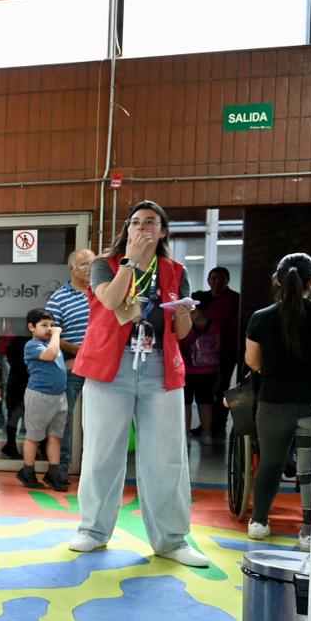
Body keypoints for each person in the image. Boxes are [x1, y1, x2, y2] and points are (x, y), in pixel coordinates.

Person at [67, 200, 208, 568]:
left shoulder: (174, 270)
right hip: (110, 369)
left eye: (151, 222)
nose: (143, 228)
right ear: (126, 229)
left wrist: (182, 313)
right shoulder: (105, 265)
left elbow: (182, 332)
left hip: (160, 369)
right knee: (101, 452)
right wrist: (129, 262)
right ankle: (93, 531)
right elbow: (111, 300)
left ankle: (172, 540)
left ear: (162, 232)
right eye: (136, 222)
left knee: (166, 456)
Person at [244, 253, 311, 551]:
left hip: (273, 402)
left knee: (271, 463)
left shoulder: (261, 318)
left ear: (277, 280)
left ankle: (259, 522)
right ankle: (308, 531)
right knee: (309, 470)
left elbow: (253, 361)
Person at [45, 248, 95, 476]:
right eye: (84, 265)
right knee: (62, 417)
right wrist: (79, 352)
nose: (89, 269)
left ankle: (94, 469)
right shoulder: (59, 298)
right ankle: (61, 468)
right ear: (71, 269)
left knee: (100, 418)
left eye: (92, 264)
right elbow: (48, 333)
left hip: (102, 366)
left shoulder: (103, 292)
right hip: (71, 364)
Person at [18, 308, 69, 492]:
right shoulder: (33, 346)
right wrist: (56, 334)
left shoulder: (52, 345)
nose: (50, 329)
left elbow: (59, 363)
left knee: (56, 436)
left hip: (59, 397)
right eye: (44, 325)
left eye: (52, 325)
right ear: (31, 327)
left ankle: (53, 473)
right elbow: (51, 354)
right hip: (39, 396)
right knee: (34, 436)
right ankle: (28, 471)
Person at [195, 266, 241, 439]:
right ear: (209, 280)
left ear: (227, 281)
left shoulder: (236, 299)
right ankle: (205, 425)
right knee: (205, 391)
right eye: (214, 278)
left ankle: (219, 426)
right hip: (202, 356)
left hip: (226, 353)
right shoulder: (203, 299)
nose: (217, 282)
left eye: (221, 278)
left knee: (221, 389)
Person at [179, 300, 220, 440]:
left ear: (201, 310)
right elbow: (218, 346)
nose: (191, 313)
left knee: (186, 403)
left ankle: (185, 435)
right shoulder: (213, 325)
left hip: (188, 370)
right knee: (205, 402)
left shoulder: (187, 326)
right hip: (208, 371)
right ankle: (207, 434)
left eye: (193, 311)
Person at [0, 333, 30, 459]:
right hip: (25, 380)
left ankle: (10, 444)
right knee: (28, 415)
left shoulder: (12, 343)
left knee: (13, 414)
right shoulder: (31, 344)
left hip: (15, 379)